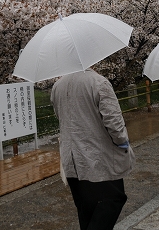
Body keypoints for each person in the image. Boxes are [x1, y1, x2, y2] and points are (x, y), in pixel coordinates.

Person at [51, 68, 135, 230]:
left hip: (71, 159)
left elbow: (59, 115)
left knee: (85, 209)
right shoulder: (99, 82)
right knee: (112, 199)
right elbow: (115, 124)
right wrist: (123, 142)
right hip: (99, 158)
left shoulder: (58, 86)